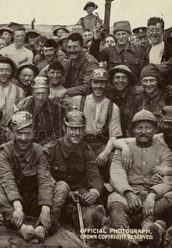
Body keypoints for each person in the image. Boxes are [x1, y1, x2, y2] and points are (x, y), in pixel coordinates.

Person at [108, 109, 172, 246]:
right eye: (139, 128)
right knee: (115, 200)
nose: (144, 131)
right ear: (133, 131)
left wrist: (152, 195)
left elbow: (168, 181)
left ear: (155, 130)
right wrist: (128, 193)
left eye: (148, 128)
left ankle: (149, 227)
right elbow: (117, 174)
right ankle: (123, 234)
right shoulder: (123, 150)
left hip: (154, 199)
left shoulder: (164, 151)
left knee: (170, 197)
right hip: (128, 195)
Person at [0, 110, 54, 242]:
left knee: (62, 187)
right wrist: (17, 207)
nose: (23, 138)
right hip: (11, 201)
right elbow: (7, 181)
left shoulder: (40, 152)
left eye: (27, 133)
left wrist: (46, 207)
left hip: (33, 199)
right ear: (13, 133)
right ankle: (21, 228)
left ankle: (42, 227)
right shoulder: (4, 152)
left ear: (33, 133)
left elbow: (45, 181)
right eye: (19, 133)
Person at [44, 107, 105, 232]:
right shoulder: (51, 149)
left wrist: (93, 193)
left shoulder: (86, 150)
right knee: (74, 214)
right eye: (73, 129)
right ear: (64, 128)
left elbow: (94, 176)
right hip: (56, 195)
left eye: (80, 129)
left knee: (94, 214)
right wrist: (66, 193)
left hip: (79, 195)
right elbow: (44, 178)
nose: (77, 133)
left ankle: (103, 225)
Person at [72, 64, 122, 181]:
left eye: (102, 83)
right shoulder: (78, 101)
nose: (98, 86)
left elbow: (114, 135)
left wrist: (106, 152)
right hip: (81, 143)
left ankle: (109, 187)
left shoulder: (113, 107)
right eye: (95, 82)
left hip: (100, 144)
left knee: (113, 158)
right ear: (91, 83)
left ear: (106, 85)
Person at [17, 76, 66, 145]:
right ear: (32, 93)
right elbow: (17, 130)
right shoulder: (23, 107)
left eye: (44, 94)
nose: (40, 98)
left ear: (48, 93)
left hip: (49, 146)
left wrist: (42, 145)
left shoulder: (57, 108)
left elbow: (58, 133)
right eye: (37, 94)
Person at [51, 33, 99, 98]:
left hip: (86, 100)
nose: (72, 50)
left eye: (75, 47)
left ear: (82, 47)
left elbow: (88, 87)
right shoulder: (69, 62)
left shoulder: (91, 63)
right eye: (69, 47)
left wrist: (66, 91)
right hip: (71, 98)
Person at [129, 63, 171, 131]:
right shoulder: (139, 98)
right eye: (145, 81)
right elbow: (131, 125)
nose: (148, 84)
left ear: (158, 81)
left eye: (152, 80)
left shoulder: (168, 97)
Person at [106, 65, 137, 137]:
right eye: (117, 77)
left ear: (128, 80)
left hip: (130, 135)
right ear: (112, 80)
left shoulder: (135, 96)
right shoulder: (108, 96)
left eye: (124, 78)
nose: (120, 81)